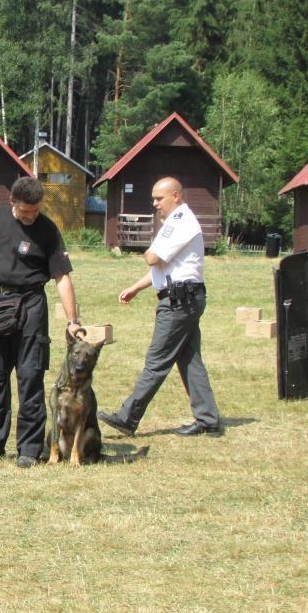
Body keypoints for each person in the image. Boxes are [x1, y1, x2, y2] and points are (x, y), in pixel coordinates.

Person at [0, 176, 84, 468]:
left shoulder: (48, 230)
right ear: (12, 202)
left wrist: (72, 320)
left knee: (30, 377)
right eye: (25, 211)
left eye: (35, 211)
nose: (30, 216)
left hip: (31, 307)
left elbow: (62, 277)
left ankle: (29, 448)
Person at [97, 177, 222, 437]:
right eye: (153, 198)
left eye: (158, 198)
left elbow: (153, 258)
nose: (154, 204)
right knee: (190, 360)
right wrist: (135, 287)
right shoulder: (177, 222)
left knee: (156, 362)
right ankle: (208, 419)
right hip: (183, 297)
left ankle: (127, 418)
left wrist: (154, 242)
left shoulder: (179, 222)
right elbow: (166, 270)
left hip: (179, 302)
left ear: (175, 196)